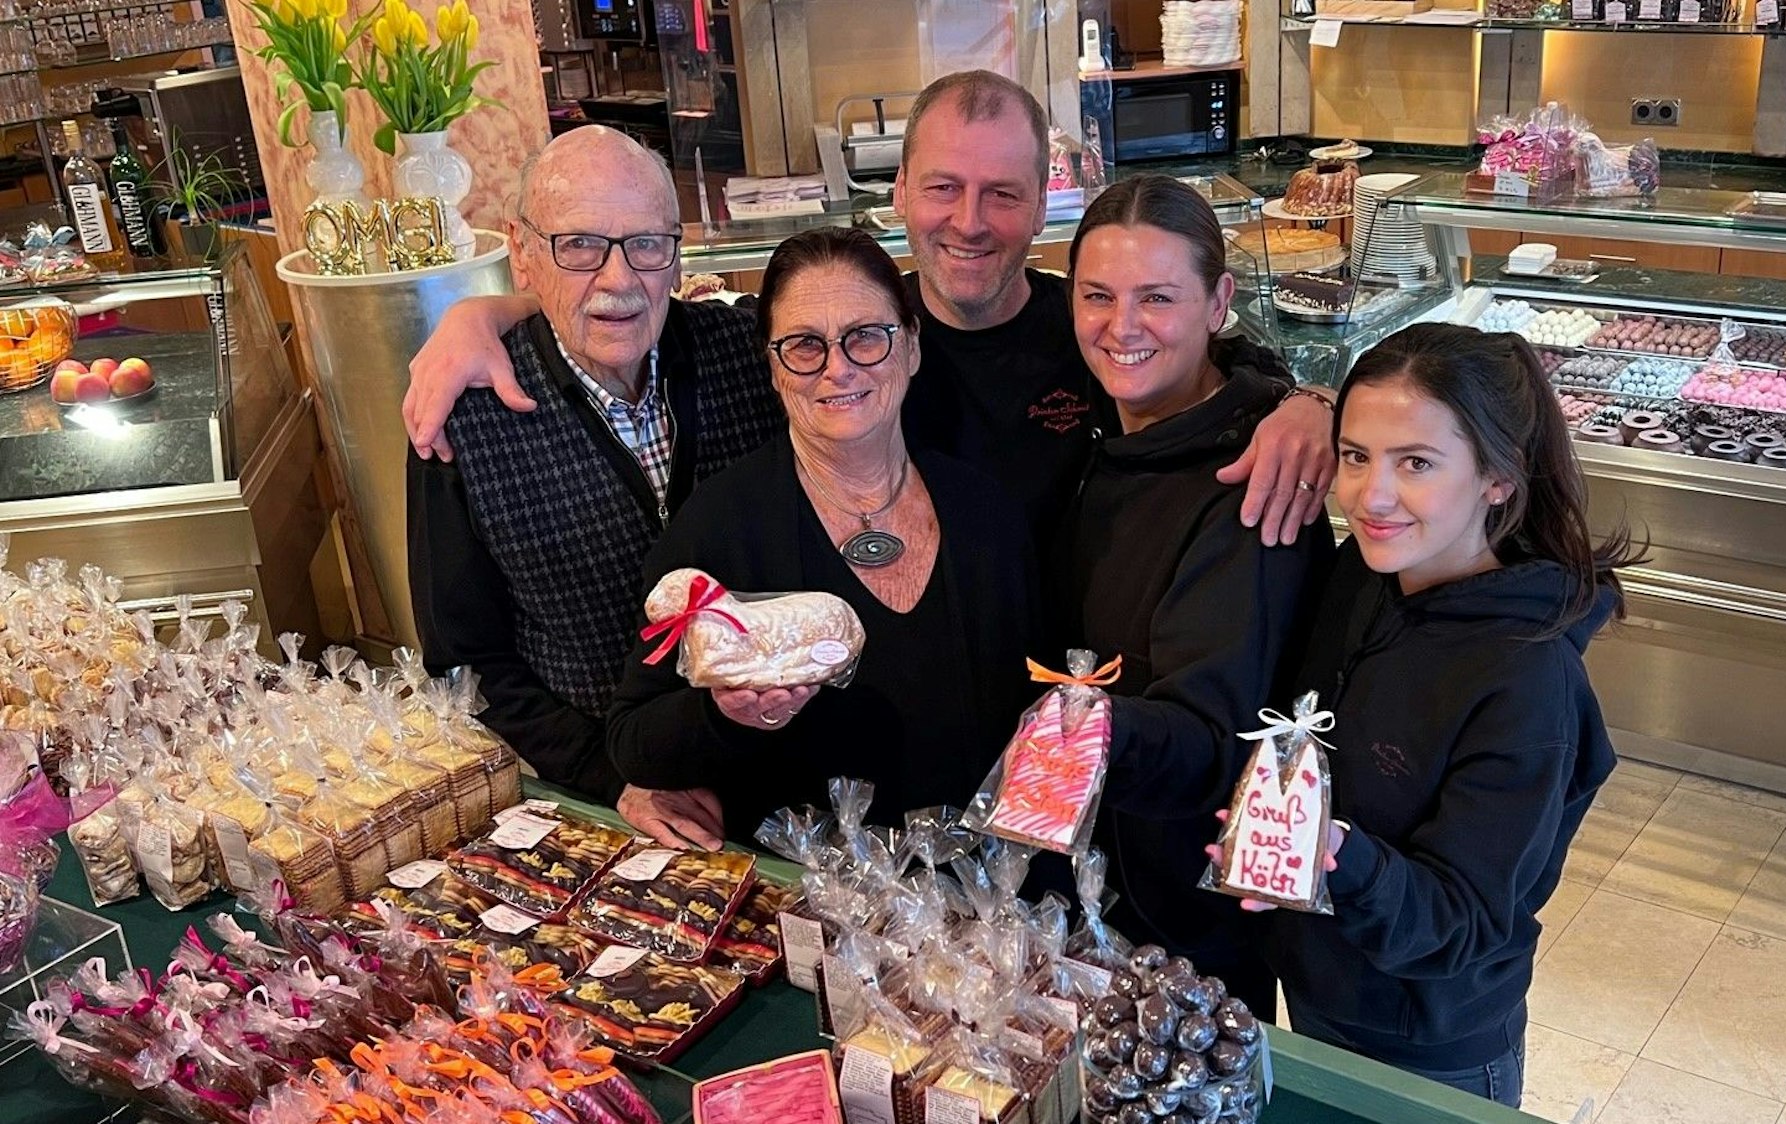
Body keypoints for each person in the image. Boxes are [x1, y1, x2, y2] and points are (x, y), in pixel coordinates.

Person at [399, 71, 1336, 553]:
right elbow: (628, 301)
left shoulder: (1085, 330)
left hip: (1063, 694)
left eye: (1002, 194)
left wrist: (1298, 400)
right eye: (942, 187)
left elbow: (1203, 360)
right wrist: (486, 314)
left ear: (1041, 200)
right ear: (902, 193)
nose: (968, 223)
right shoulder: (832, 337)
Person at [1219, 323, 1639, 1106]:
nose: (1371, 497)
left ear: (1497, 478)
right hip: (1314, 986)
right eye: (1354, 456)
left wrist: (1342, 856)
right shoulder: (1364, 574)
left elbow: (1468, 920)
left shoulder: (1526, 680)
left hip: (1428, 1043)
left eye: (1415, 463)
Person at [406, 126, 785, 847]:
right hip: (611, 800)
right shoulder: (466, 415)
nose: (618, 280)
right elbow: (466, 661)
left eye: (647, 244)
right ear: (522, 252)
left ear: (676, 254)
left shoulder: (747, 355)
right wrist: (612, 781)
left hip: (782, 773)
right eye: (579, 245)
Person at [603, 227, 1040, 839]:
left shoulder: (985, 510)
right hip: (812, 905)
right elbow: (634, 740)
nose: (838, 369)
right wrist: (725, 714)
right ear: (774, 369)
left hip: (993, 898)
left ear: (911, 347)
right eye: (805, 345)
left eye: (865, 337)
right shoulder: (720, 527)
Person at [1057, 176, 1333, 1020]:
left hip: (1178, 928)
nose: (1121, 327)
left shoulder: (1253, 486)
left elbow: (1215, 741)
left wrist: (1065, 729)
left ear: (1218, 302)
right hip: (1086, 898)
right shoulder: (1100, 431)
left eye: (1157, 298)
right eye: (1096, 296)